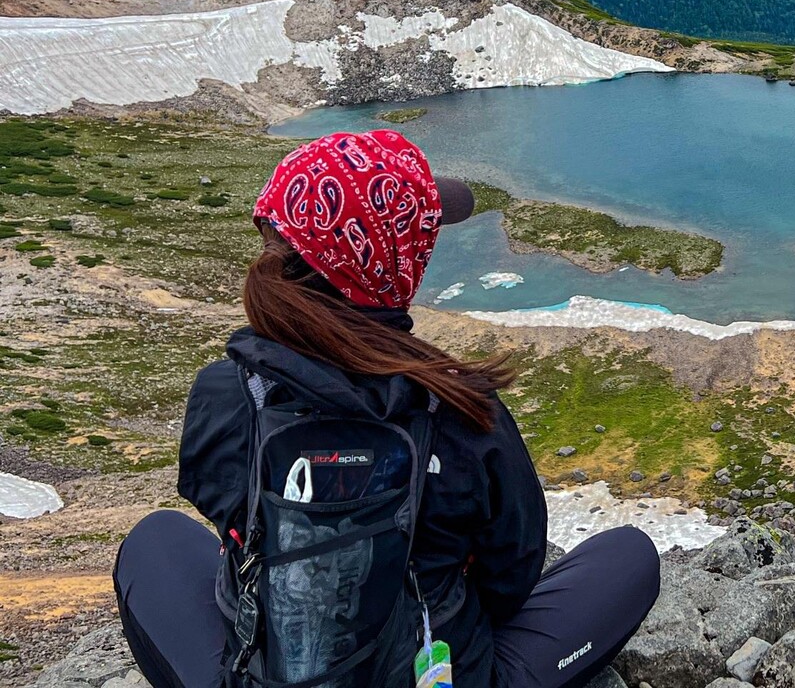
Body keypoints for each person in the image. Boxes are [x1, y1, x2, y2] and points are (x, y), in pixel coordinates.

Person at [113, 130, 660, 688]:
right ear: (392, 257)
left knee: (154, 540)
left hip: (269, 673)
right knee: (629, 557)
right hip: (438, 675)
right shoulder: (460, 407)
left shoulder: (229, 389)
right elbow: (511, 580)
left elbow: (223, 511)